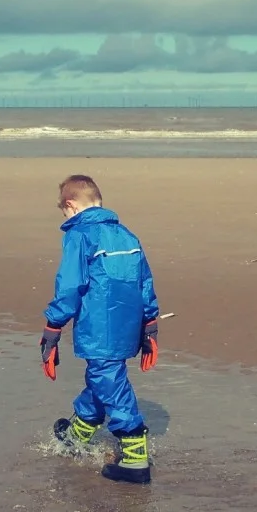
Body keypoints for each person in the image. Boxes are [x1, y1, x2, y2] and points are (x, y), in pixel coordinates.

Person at [40, 174, 160, 484]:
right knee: (103, 375)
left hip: (99, 325)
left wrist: (53, 326)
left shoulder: (80, 236)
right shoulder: (127, 235)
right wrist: (149, 324)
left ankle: (134, 455)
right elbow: (144, 280)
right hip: (129, 323)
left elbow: (70, 284)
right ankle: (77, 435)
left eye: (64, 212)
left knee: (106, 377)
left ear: (70, 205)